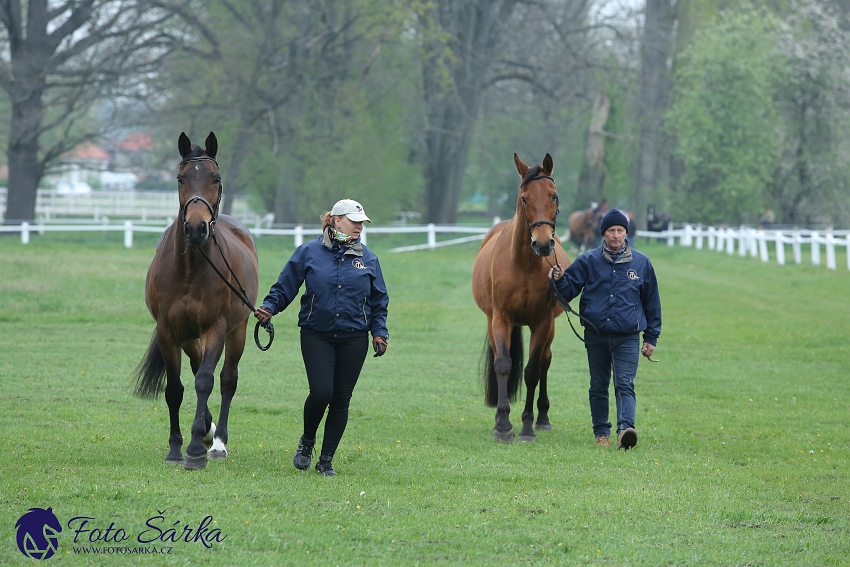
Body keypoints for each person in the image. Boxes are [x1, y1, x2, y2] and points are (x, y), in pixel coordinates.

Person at [255, 199, 389, 475]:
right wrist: (270, 307)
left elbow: (379, 301)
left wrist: (379, 332)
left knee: (341, 400)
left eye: (362, 223)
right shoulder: (308, 252)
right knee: (321, 392)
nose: (359, 228)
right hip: (317, 335)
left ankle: (326, 460)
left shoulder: (369, 259)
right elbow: (286, 286)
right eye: (354, 222)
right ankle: (307, 441)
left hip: (354, 338)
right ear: (336, 220)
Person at [548, 208, 661, 450]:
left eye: (620, 230)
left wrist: (651, 337)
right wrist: (559, 279)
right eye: (611, 230)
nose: (616, 235)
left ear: (626, 233)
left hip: (628, 337)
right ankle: (601, 433)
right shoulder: (588, 261)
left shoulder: (642, 263)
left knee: (624, 383)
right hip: (596, 335)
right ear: (604, 233)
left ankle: (625, 430)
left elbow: (652, 303)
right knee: (598, 385)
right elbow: (568, 291)